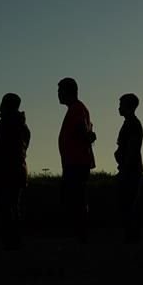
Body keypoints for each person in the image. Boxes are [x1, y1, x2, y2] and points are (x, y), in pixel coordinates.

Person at [58, 77, 96, 242]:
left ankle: (81, 235)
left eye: (60, 91)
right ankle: (80, 235)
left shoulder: (77, 110)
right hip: (75, 162)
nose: (58, 95)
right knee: (76, 200)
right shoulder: (77, 109)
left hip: (76, 163)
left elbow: (83, 133)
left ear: (68, 91)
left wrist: (87, 136)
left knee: (76, 201)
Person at [0, 93, 30, 249]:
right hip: (18, 171)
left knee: (6, 207)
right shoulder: (22, 125)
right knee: (13, 206)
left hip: (5, 172)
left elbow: (0, 152)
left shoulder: (5, 124)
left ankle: (10, 240)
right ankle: (14, 239)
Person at [115, 93, 143, 243]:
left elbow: (132, 149)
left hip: (130, 169)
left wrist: (124, 168)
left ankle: (132, 237)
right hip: (128, 168)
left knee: (129, 204)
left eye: (121, 104)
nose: (119, 108)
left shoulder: (132, 124)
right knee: (127, 203)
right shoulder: (129, 123)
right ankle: (131, 236)